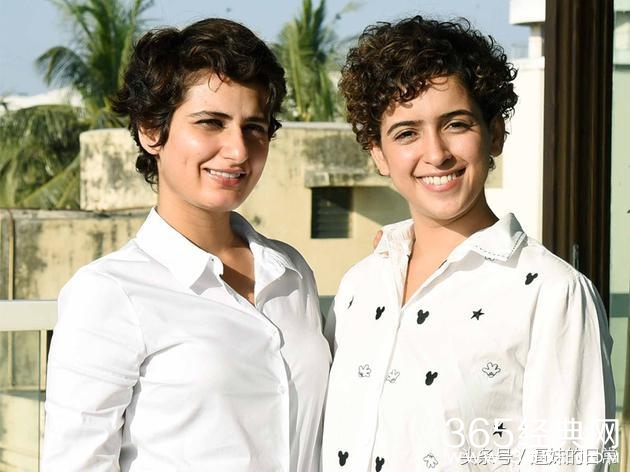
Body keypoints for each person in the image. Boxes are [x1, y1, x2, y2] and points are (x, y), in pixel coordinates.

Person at [322, 16, 615, 471]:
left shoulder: (554, 293)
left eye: (456, 124)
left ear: (494, 133)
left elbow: (576, 458)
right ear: (378, 154)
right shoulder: (359, 286)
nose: (436, 153)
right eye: (406, 133)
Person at [42, 18, 331, 471]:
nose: (238, 150)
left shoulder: (290, 271)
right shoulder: (110, 293)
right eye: (211, 122)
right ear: (151, 130)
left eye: (254, 127)